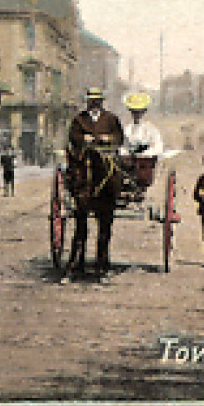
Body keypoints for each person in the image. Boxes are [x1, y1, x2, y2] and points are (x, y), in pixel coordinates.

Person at [65, 87, 124, 274]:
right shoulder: (79, 119)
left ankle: (102, 260)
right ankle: (78, 260)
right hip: (84, 158)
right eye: (91, 100)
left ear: (102, 101)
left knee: (115, 173)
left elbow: (119, 137)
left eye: (97, 99)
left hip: (106, 158)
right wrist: (84, 138)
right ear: (87, 101)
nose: (94, 102)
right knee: (75, 175)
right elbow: (73, 136)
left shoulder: (111, 118)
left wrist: (108, 138)